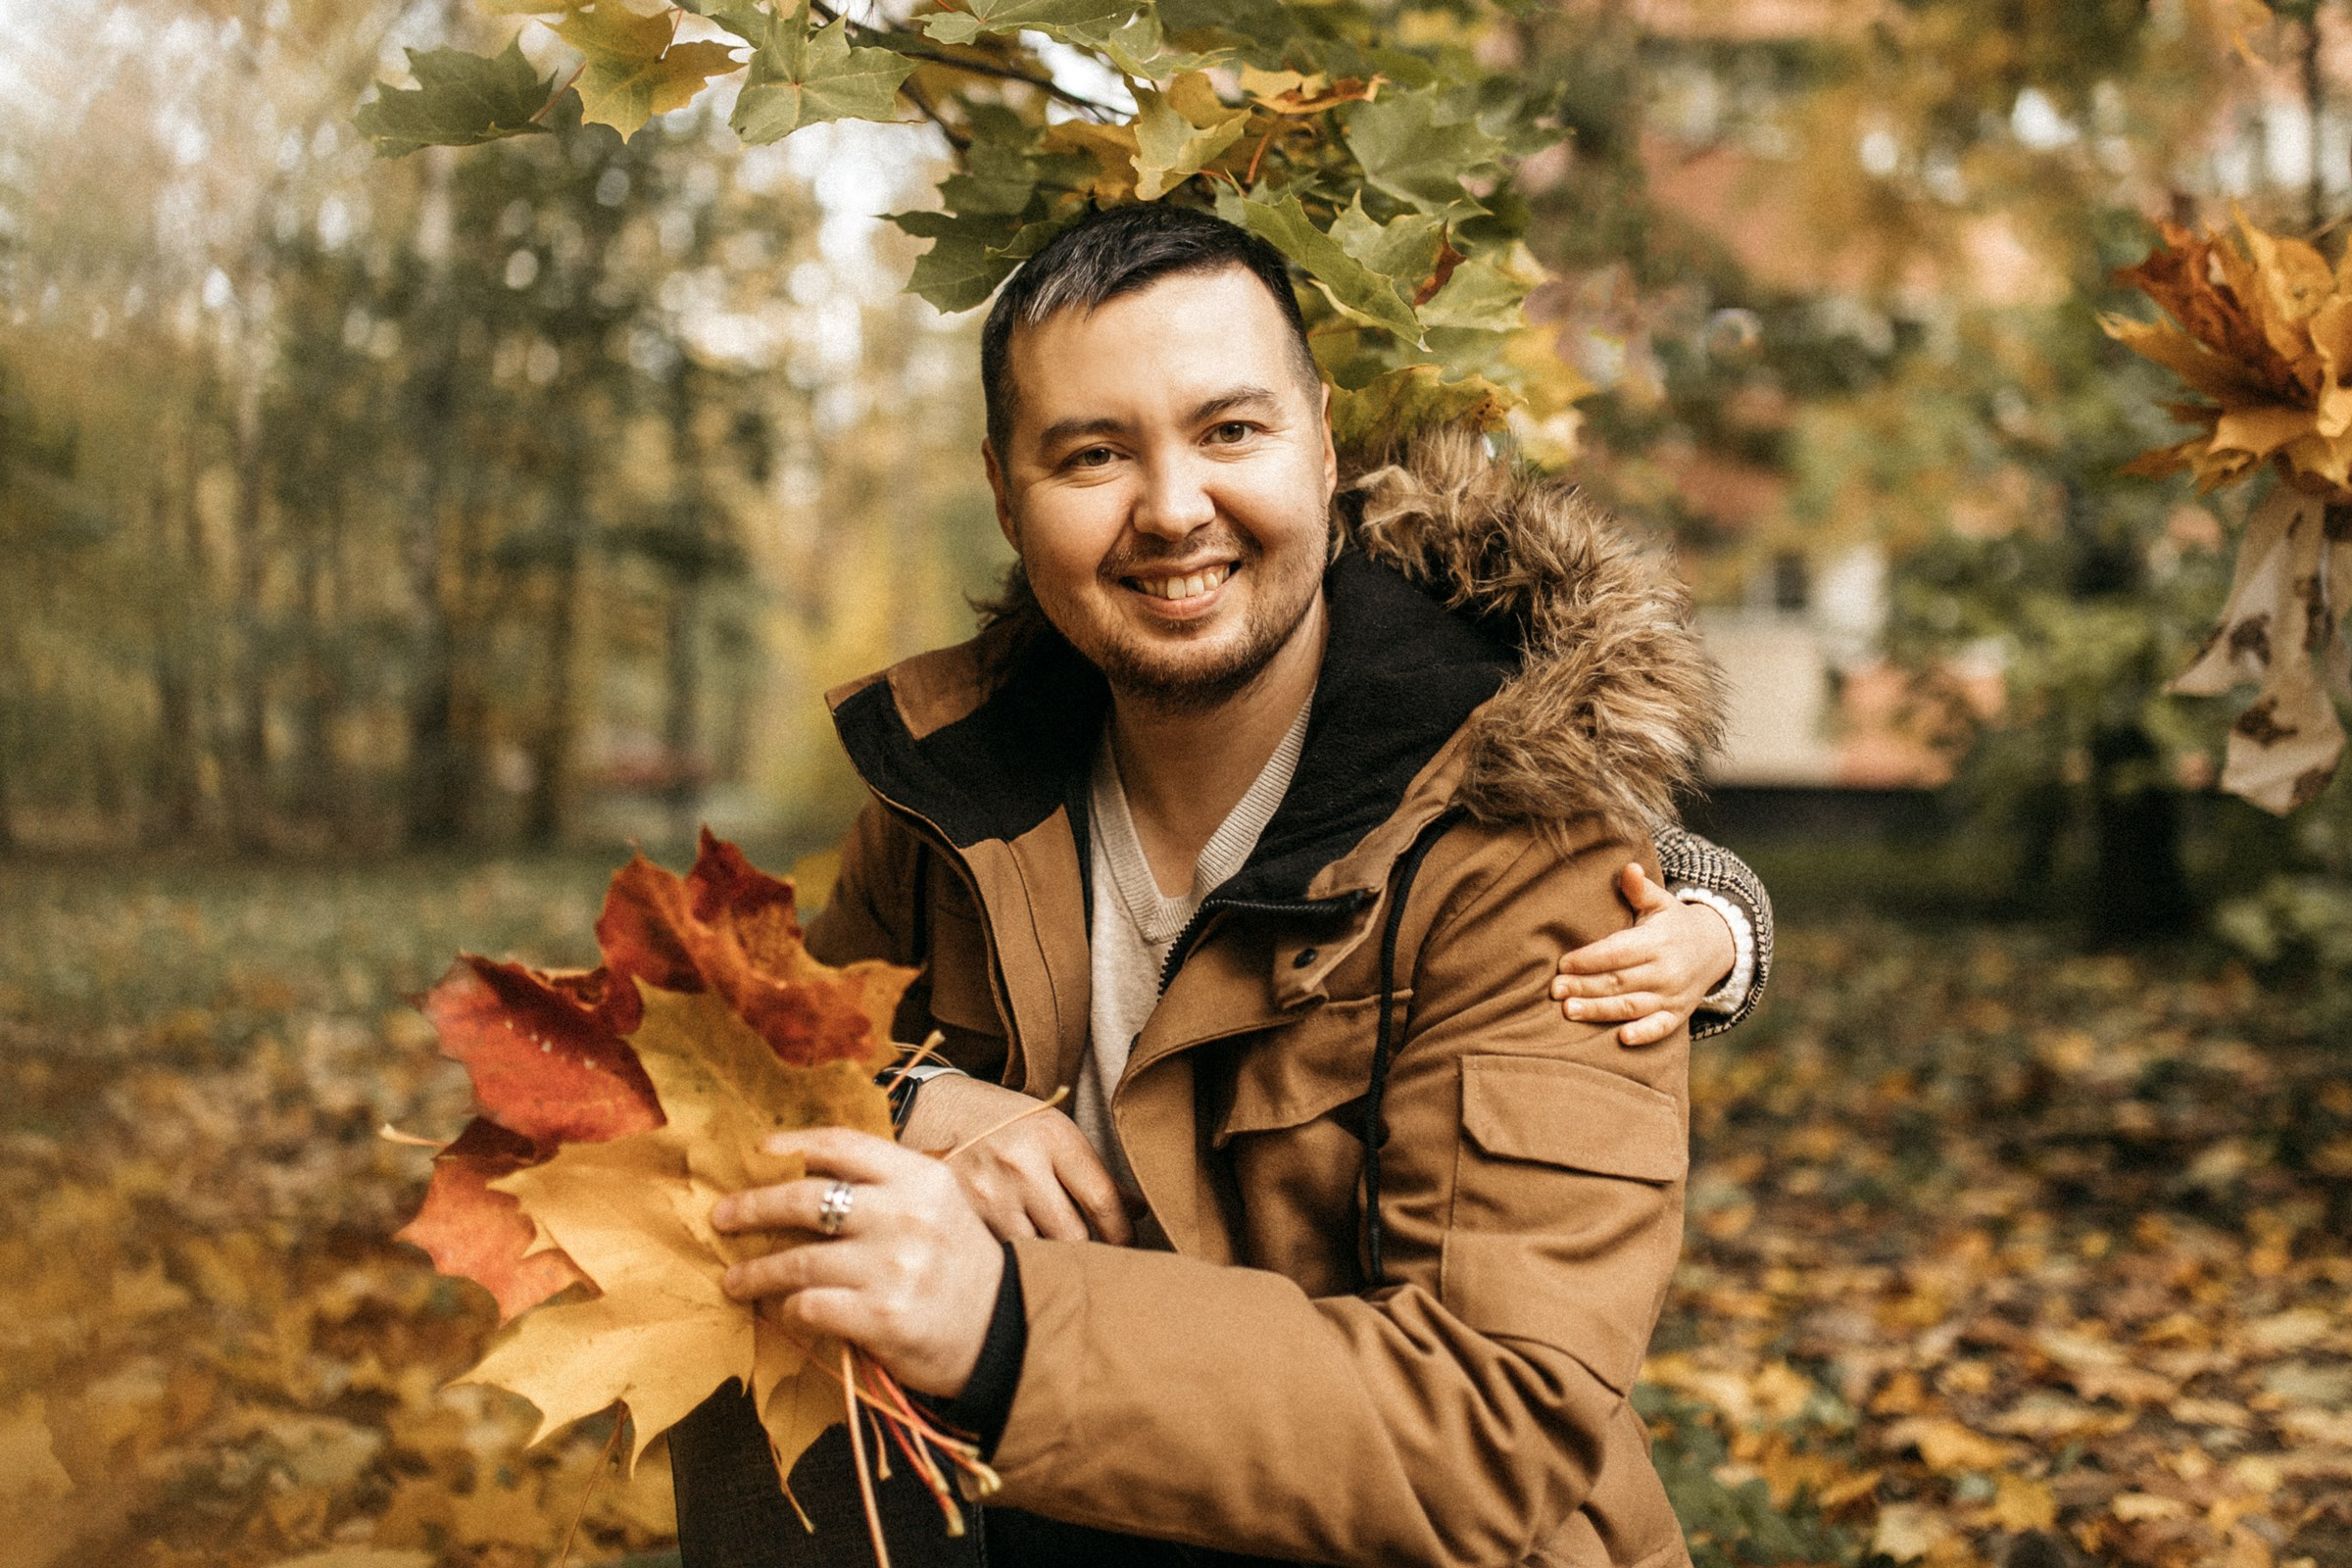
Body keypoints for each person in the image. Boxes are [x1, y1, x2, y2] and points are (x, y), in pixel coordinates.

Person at [675, 203, 1766, 1567]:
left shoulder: (1525, 836)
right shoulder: (953, 795)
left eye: (1228, 431)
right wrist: (915, 1103)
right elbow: (745, 1081)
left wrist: (1003, 1323)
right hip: (1019, 1511)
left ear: (1321, 439)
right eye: (1092, 454)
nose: (1173, 508)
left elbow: (1497, 1428)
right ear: (1007, 493)